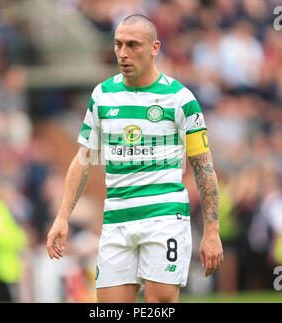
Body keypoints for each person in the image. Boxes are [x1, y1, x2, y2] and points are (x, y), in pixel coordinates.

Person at [47, 14, 223, 303]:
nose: (123, 53)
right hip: (117, 221)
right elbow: (83, 160)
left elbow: (203, 167)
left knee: (159, 305)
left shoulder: (180, 99)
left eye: (133, 45)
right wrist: (62, 217)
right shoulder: (103, 96)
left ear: (155, 48)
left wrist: (212, 231)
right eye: (118, 45)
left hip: (164, 218)